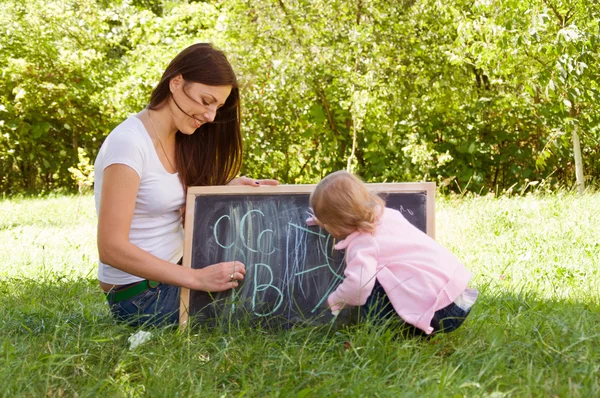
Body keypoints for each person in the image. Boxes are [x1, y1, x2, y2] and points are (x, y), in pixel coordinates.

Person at [94, 43, 278, 326]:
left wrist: (221, 193)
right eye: (206, 101)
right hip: (140, 297)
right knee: (266, 305)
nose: (211, 116)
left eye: (217, 106)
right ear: (176, 83)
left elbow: (170, 206)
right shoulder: (129, 143)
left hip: (176, 275)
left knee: (268, 276)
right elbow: (111, 247)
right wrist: (197, 279)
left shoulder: (181, 139)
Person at [307, 171, 477, 336]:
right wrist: (328, 219)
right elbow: (346, 215)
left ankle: (387, 335)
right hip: (458, 295)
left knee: (372, 284)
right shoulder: (388, 215)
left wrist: (336, 299)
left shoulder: (364, 244)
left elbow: (358, 286)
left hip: (439, 311)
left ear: (336, 225)